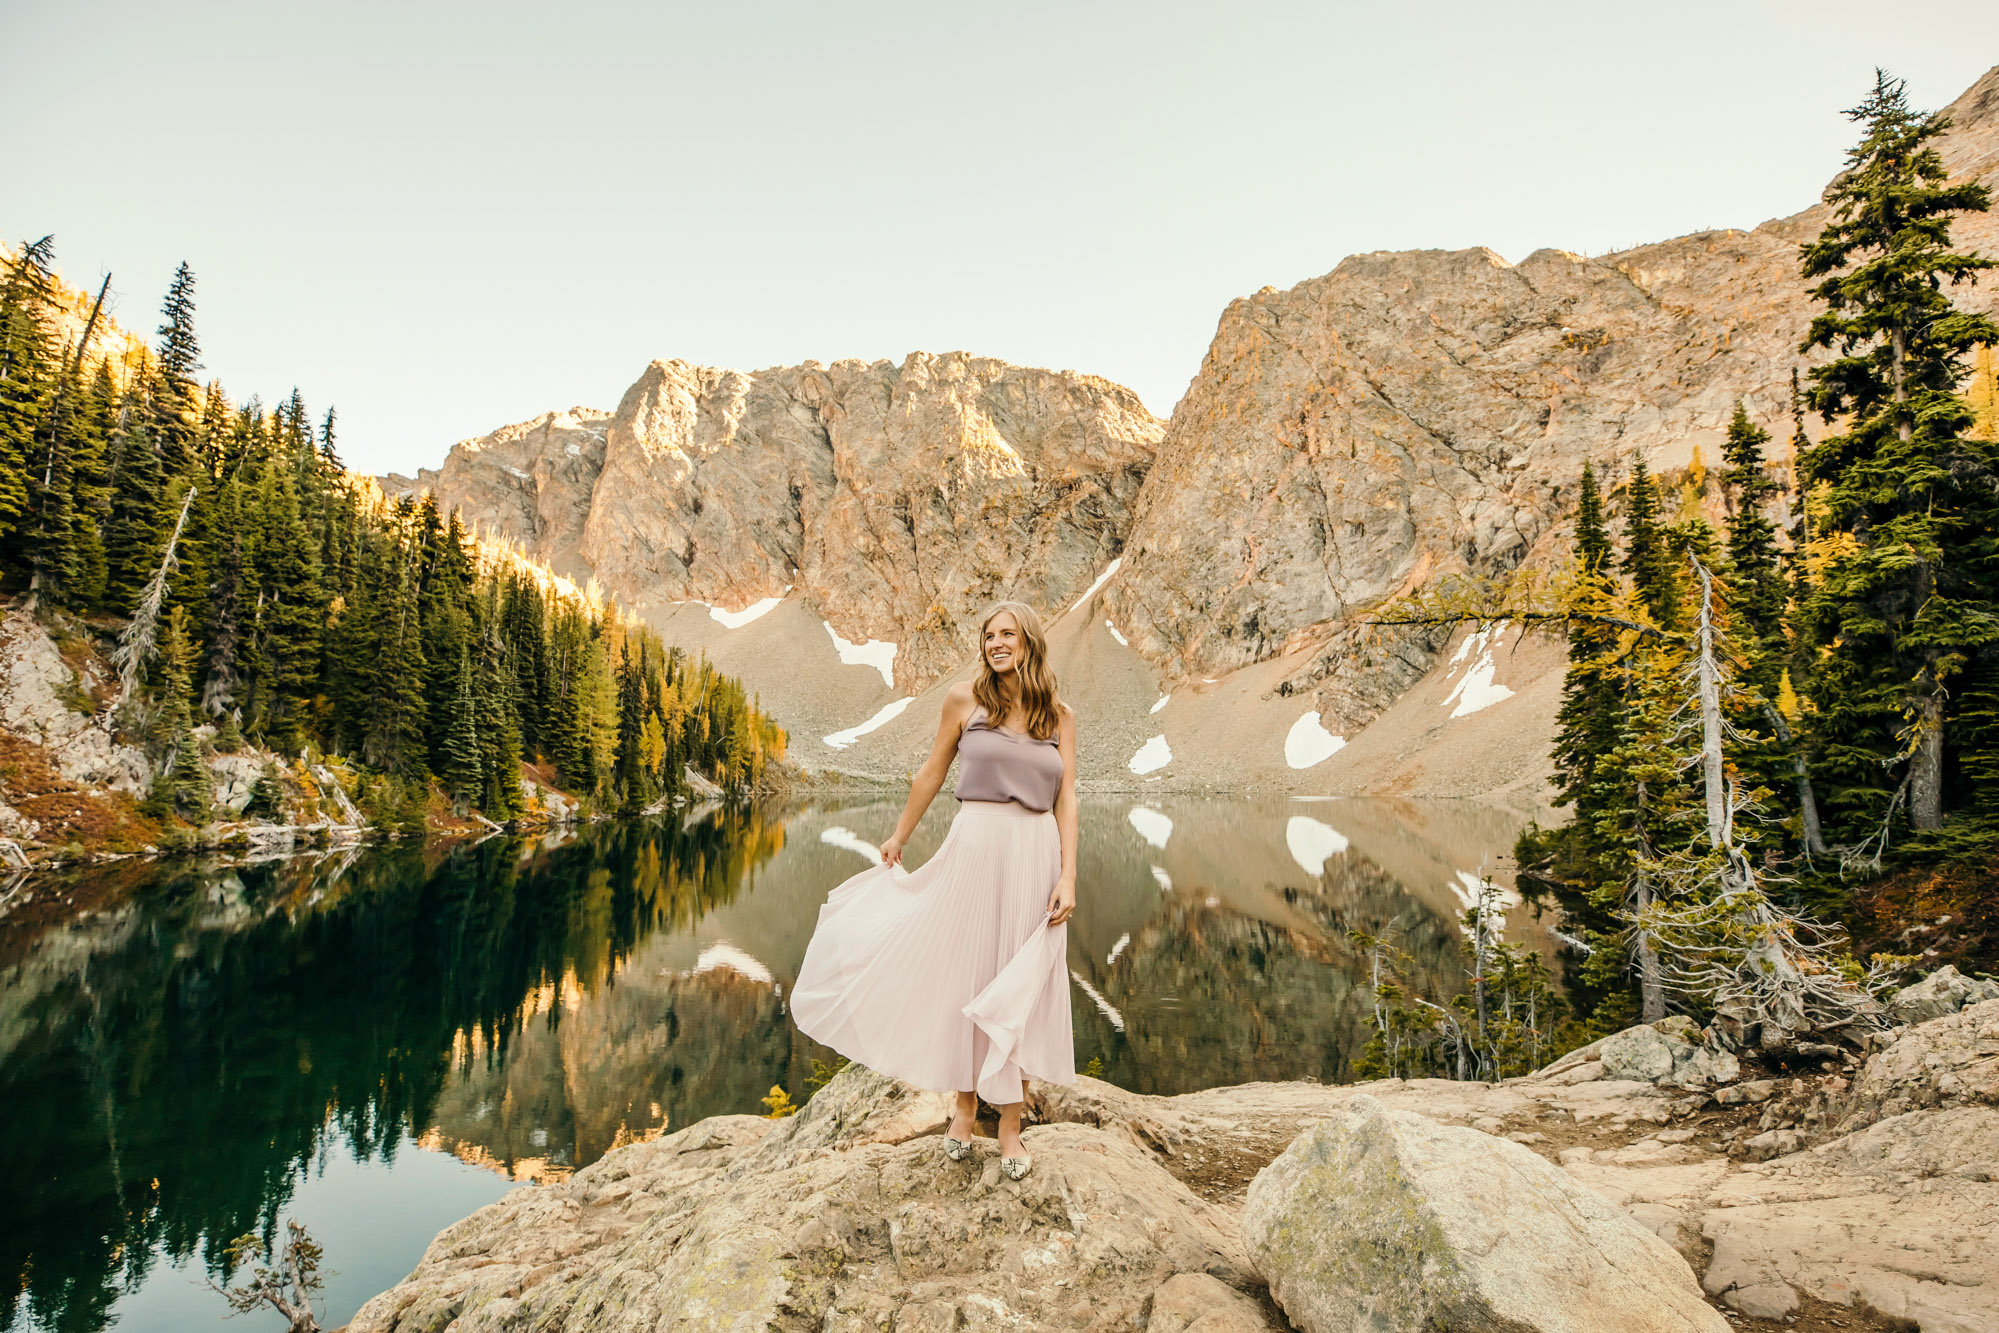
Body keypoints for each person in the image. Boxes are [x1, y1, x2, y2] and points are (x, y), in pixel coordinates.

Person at [789, 600, 1078, 1180]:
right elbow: (931, 773)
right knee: (969, 973)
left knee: (1021, 981)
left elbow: (1068, 796)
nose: (997, 643)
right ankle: (965, 1110)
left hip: (1036, 852)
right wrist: (900, 834)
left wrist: (1069, 873)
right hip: (975, 843)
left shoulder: (1059, 716)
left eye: (1008, 634)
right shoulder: (964, 702)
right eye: (989, 636)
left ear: (1029, 642)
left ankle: (1011, 1126)